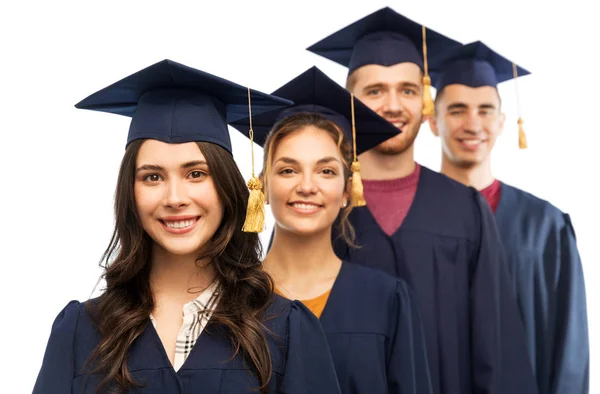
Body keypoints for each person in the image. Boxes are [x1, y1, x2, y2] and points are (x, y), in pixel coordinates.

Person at [32, 59, 342, 394]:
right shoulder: (81, 332)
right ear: (130, 193)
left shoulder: (286, 330)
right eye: (153, 177)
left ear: (226, 187)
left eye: (196, 173)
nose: (175, 197)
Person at [306, 7, 537, 394]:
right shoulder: (321, 206)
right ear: (349, 102)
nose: (393, 104)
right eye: (375, 90)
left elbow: (498, 350)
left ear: (426, 103)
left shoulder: (466, 209)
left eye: (408, 90)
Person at [231, 66, 433, 394]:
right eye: (288, 170)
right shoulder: (229, 300)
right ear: (263, 186)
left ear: (346, 190)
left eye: (325, 170)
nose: (307, 186)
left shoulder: (387, 300)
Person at [428, 40, 590, 394]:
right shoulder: (406, 221)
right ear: (432, 121)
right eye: (457, 110)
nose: (473, 124)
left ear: (502, 122)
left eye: (485, 110)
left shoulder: (545, 227)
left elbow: (570, 347)